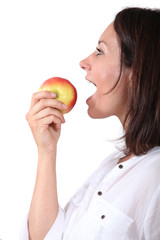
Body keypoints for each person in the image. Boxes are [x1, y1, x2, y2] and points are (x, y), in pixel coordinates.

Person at [20, 7, 160, 240]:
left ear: (137, 72)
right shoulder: (113, 165)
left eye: (99, 52)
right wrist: (47, 151)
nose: (84, 62)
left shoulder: (155, 176)